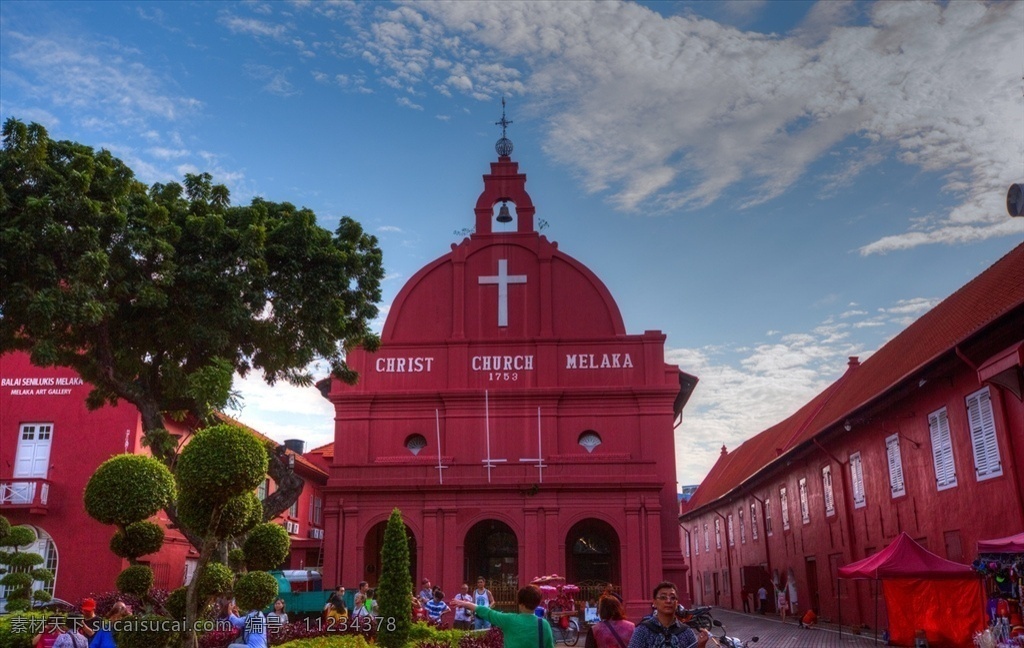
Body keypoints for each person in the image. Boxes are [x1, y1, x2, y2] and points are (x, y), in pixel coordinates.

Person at [452, 585, 555, 648]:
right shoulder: (544, 624)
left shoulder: (509, 620)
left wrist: (465, 604)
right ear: (537, 603)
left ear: (520, 604)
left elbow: (486, 612)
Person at [626, 582, 709, 648]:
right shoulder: (643, 631)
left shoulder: (686, 632)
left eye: (673, 598)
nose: (668, 601)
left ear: (677, 603)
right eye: (663, 597)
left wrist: (701, 646)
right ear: (654, 602)